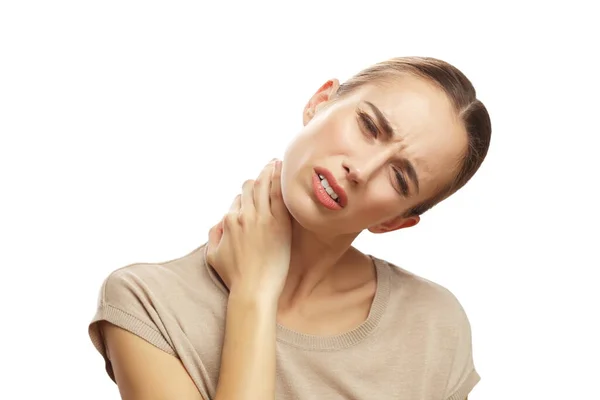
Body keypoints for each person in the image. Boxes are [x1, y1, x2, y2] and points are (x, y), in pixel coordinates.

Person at [88, 56, 491, 400]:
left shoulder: (434, 326)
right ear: (319, 102)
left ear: (395, 221)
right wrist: (255, 294)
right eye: (369, 126)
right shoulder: (149, 304)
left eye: (400, 178)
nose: (361, 170)